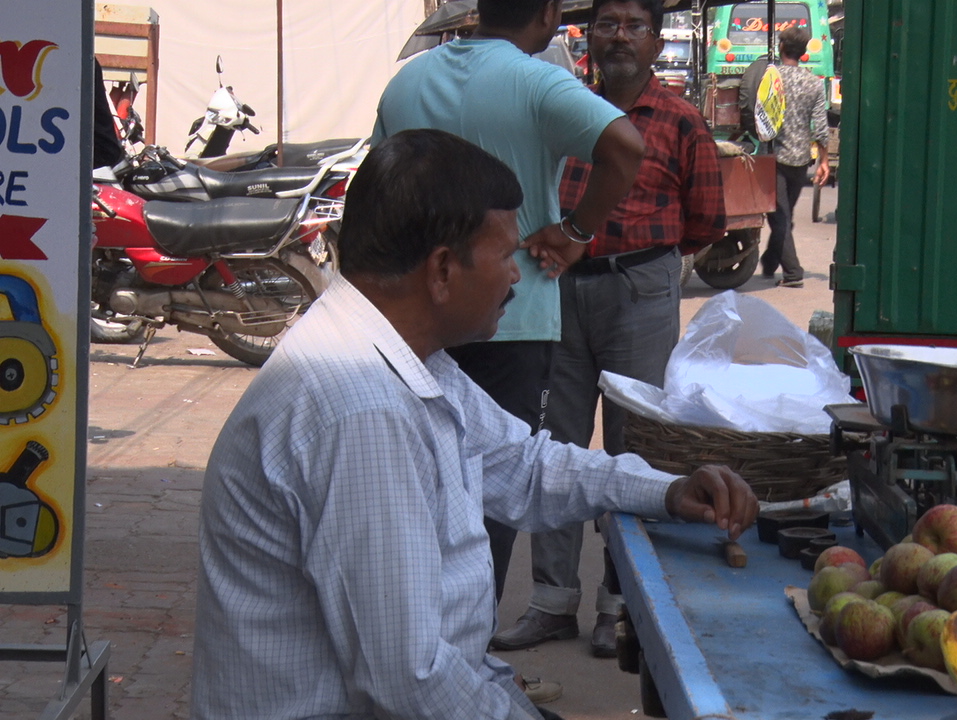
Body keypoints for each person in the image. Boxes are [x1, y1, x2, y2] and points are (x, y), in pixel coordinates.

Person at [190, 129, 759, 720]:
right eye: (505, 256)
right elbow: (410, 680)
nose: (517, 276)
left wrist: (663, 489)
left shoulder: (406, 354)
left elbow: (522, 465)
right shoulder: (360, 410)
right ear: (441, 270)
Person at [370, 0, 644, 635]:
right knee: (492, 495)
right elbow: (624, 146)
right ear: (548, 12)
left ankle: (428, 650)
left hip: (419, 317)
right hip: (510, 318)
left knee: (414, 489)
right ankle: (462, 652)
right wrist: (576, 230)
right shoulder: (537, 78)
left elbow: (377, 183)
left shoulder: (408, 80)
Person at [491, 0, 726, 659]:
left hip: (640, 290)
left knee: (635, 449)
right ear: (586, 36)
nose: (618, 36)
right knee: (553, 444)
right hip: (557, 287)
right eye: (606, 24)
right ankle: (552, 602)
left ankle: (622, 606)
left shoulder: (681, 119)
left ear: (657, 41)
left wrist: (646, 258)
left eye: (633, 25)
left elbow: (707, 221)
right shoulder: (563, 105)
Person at [761, 25, 831, 288]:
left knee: (779, 218)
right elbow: (821, 128)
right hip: (801, 159)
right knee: (784, 217)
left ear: (781, 48)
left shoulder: (772, 77)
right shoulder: (813, 83)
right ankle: (769, 262)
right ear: (803, 53)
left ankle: (793, 273)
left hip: (775, 158)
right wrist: (824, 161)